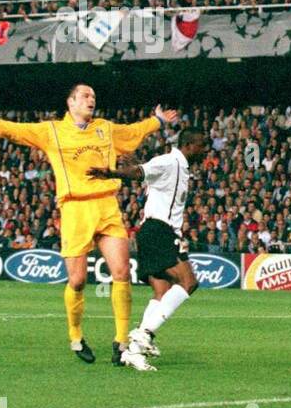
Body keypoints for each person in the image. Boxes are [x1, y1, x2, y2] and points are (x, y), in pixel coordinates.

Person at [0, 86, 176, 365]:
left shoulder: (105, 128)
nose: (92, 99)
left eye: (93, 96)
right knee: (77, 281)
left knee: (122, 272)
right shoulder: (52, 131)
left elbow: (133, 132)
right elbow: (14, 130)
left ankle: (120, 341)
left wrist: (158, 121)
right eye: (85, 96)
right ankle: (76, 337)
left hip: (106, 205)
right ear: (71, 102)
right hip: (75, 209)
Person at [87, 128, 210, 371]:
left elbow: (143, 170)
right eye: (201, 145)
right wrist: (111, 172)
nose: (204, 150)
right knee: (189, 282)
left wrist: (134, 165)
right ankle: (144, 333)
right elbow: (137, 173)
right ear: (189, 144)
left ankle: (132, 352)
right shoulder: (170, 161)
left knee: (162, 291)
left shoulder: (178, 166)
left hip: (154, 231)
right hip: (159, 231)